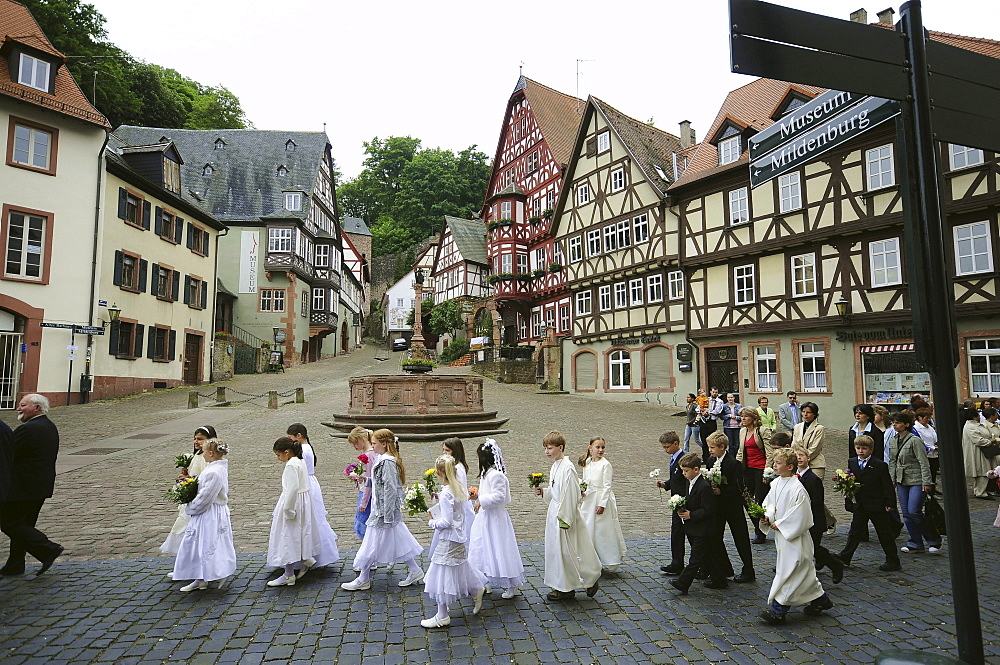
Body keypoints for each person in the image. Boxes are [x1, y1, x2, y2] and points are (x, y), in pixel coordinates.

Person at [342, 429, 424, 590]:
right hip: (382, 511)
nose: (372, 446)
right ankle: (414, 570)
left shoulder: (387, 462)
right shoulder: (382, 459)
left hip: (382, 512)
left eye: (374, 443)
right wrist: (366, 479)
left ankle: (363, 579)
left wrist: (386, 514)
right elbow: (380, 483)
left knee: (371, 543)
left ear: (384, 444)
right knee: (399, 539)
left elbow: (390, 488)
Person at [759, 447, 833, 624]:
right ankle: (820, 600)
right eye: (774, 462)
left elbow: (801, 515)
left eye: (778, 463)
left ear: (790, 466)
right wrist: (767, 516)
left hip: (796, 538)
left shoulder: (798, 489)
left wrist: (781, 524)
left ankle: (778, 611)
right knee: (804, 574)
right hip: (782, 538)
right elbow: (770, 503)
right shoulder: (776, 483)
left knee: (792, 571)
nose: (774, 466)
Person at [420, 454, 487, 628]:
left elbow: (446, 522)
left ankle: (442, 615)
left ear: (439, 472)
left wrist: (431, 521)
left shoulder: (447, 493)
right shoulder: (458, 489)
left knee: (441, 571)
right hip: (458, 537)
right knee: (459, 565)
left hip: (450, 539)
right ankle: (476, 588)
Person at [0, 394, 63, 577]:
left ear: (37, 408)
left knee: (10, 524)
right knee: (23, 525)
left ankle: (48, 549)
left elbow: (9, 454)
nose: (19, 409)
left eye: (23, 405)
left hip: (22, 488)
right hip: (39, 486)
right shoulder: (48, 426)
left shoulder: (28, 430)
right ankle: (15, 565)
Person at [535, 431, 601, 600]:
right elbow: (557, 491)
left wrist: (565, 518)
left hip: (565, 514)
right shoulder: (556, 465)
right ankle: (564, 586)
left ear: (560, 447)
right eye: (545, 449)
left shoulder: (568, 467)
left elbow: (571, 494)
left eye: (550, 448)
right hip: (555, 511)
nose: (547, 452)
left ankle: (586, 579)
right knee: (558, 552)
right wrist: (545, 491)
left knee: (568, 551)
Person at [172, 438, 236, 591]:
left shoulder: (215, 472)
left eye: (205, 451)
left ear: (212, 453)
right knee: (198, 544)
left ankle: (215, 573)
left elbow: (206, 497)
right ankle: (200, 577)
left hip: (209, 513)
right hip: (208, 512)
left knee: (206, 543)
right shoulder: (213, 468)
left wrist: (191, 507)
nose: (203, 454)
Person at [834, 435, 901, 572]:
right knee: (855, 531)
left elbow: (887, 485)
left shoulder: (879, 465)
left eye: (864, 448)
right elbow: (849, 480)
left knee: (884, 533)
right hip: (860, 504)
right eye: (858, 448)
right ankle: (845, 556)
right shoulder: (852, 462)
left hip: (877, 504)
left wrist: (890, 502)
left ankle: (893, 560)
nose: (861, 451)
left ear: (871, 450)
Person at [468, 439, 525, 599]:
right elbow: (487, 493)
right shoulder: (486, 474)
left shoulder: (497, 476)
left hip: (496, 518)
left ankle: (513, 583)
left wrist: (482, 498)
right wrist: (478, 498)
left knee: (500, 548)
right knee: (481, 547)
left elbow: (500, 497)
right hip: (484, 517)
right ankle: (483, 581)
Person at [668, 453, 728, 594]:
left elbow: (709, 510)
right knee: (709, 555)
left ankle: (683, 583)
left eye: (686, 471)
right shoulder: (692, 483)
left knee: (696, 558)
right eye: (682, 471)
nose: (683, 474)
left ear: (696, 469)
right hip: (697, 528)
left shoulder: (703, 486)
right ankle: (720, 579)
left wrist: (691, 514)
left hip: (704, 529)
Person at [286, 423, 339, 575]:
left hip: (306, 483)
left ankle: (311, 555)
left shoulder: (304, 450)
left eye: (291, 438)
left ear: (299, 436)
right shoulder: (305, 448)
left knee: (311, 518)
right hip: (309, 481)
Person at [266, 437, 319, 587]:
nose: (278, 459)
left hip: (293, 502)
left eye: (278, 455)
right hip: (302, 502)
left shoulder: (291, 465)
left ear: (287, 452)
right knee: (298, 534)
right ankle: (305, 558)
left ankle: (289, 575)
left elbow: (292, 489)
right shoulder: (300, 461)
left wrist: (288, 509)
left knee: (287, 536)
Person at [888, 411, 940, 554]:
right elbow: (892, 461)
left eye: (897, 422)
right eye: (893, 422)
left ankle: (933, 539)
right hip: (902, 480)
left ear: (906, 424)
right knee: (906, 513)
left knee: (914, 511)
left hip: (917, 479)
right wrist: (892, 479)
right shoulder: (894, 440)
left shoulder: (914, 440)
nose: (894, 425)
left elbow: (923, 462)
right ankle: (915, 542)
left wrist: (927, 481)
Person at [705, 431, 754, 583]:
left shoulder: (734, 464)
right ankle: (724, 567)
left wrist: (722, 490)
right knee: (714, 537)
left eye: (712, 447)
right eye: (709, 447)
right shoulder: (710, 461)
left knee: (741, 538)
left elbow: (738, 487)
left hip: (733, 507)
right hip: (717, 508)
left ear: (722, 447)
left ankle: (748, 569)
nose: (710, 450)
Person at [792, 445, 845, 584]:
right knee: (805, 547)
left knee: (813, 547)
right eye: (796, 456)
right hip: (799, 520)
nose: (799, 458)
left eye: (801, 456)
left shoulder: (813, 479)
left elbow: (817, 502)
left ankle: (835, 564)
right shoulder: (793, 477)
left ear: (808, 458)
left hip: (813, 520)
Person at [161, 426, 215, 561]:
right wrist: (186, 476)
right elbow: (193, 475)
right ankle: (184, 561)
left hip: (199, 499)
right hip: (191, 498)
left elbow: (204, 479)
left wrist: (189, 480)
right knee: (184, 529)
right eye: (195, 439)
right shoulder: (197, 455)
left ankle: (190, 561)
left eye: (200, 439)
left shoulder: (206, 458)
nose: (196, 442)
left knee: (189, 530)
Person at [579, 437, 626, 572]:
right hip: (589, 499)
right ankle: (589, 559)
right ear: (590, 448)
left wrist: (602, 504)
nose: (600, 450)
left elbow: (607, 486)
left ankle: (608, 559)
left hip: (600, 499)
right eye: (598, 447)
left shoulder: (605, 465)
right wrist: (583, 491)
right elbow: (585, 480)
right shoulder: (587, 462)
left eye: (603, 447)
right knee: (587, 528)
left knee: (601, 531)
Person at [792, 402, 835, 533]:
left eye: (808, 412)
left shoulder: (819, 428)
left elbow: (815, 448)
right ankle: (825, 520)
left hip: (815, 463)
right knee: (803, 494)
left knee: (814, 493)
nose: (805, 414)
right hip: (799, 462)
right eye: (803, 412)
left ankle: (825, 522)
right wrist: (796, 458)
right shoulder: (798, 426)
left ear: (815, 414)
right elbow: (794, 444)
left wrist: (804, 457)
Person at [736, 408, 774, 544]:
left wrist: (767, 471)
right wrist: (736, 468)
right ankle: (758, 528)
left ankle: (761, 532)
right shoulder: (742, 432)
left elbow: (770, 452)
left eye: (746, 416)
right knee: (748, 500)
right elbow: (741, 452)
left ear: (753, 417)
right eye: (742, 416)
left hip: (761, 469)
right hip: (748, 470)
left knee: (760, 500)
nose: (743, 419)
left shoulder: (762, 431)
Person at [655, 432, 686, 575]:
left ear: (676, 444)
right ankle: (676, 562)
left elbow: (685, 480)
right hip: (676, 501)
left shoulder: (683, 458)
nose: (665, 450)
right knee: (676, 533)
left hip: (683, 501)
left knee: (685, 533)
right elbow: (675, 478)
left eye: (667, 447)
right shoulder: (674, 458)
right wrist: (666, 484)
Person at [963, 406, 1000, 499]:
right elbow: (978, 440)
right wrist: (990, 441)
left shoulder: (976, 425)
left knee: (983, 470)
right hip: (977, 452)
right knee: (981, 470)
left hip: (982, 451)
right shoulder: (970, 426)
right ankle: (980, 492)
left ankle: (981, 490)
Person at [347, 426, 375, 540]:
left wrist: (363, 503)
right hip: (368, 491)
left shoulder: (368, 456)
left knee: (362, 523)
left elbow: (369, 480)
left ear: (362, 440)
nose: (354, 447)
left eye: (355, 443)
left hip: (366, 493)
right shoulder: (372, 453)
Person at [913, 408, 939, 487]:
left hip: (934, 454)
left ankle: (933, 489)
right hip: (926, 454)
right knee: (927, 473)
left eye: (929, 418)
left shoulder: (929, 427)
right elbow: (920, 441)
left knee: (933, 473)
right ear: (920, 417)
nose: (928, 420)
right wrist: (932, 447)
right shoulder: (916, 428)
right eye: (926, 418)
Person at [698, 388, 724, 460]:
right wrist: (701, 411)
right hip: (703, 422)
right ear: (710, 392)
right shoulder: (705, 399)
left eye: (716, 392)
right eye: (713, 392)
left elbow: (718, 411)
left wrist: (708, 412)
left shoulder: (719, 401)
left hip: (712, 422)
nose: (714, 393)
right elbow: (698, 408)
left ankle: (713, 457)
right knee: (704, 440)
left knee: (713, 440)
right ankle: (705, 457)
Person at [721, 392, 744, 457]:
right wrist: (728, 416)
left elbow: (743, 416)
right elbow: (721, 417)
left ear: (734, 398)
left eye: (731, 397)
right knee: (730, 444)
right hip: (728, 427)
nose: (730, 399)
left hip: (737, 427)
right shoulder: (724, 406)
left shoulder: (739, 406)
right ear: (727, 398)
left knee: (737, 444)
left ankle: (737, 457)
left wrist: (736, 417)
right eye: (728, 397)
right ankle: (731, 458)